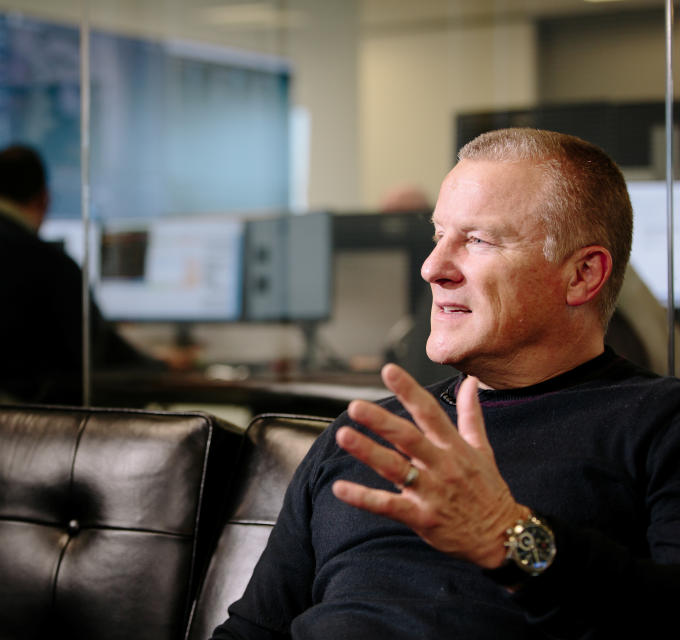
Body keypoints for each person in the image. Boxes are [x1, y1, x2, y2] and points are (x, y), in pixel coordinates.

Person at [213, 128, 680, 638]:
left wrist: (508, 537)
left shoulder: (660, 423)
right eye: (439, 236)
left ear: (582, 276)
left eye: (478, 240)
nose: (432, 268)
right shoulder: (369, 432)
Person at [0, 143, 157, 403]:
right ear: (44, 198)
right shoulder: (50, 266)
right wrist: (158, 365)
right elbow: (97, 354)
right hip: (29, 429)